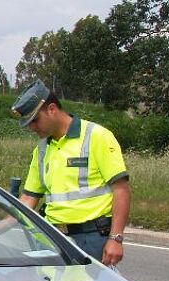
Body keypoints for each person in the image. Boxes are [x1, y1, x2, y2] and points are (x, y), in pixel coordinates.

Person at [11, 81, 131, 266]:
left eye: (35, 120)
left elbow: (121, 189)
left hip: (92, 238)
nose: (32, 127)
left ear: (52, 109)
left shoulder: (96, 136)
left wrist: (116, 238)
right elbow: (28, 198)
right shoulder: (41, 150)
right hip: (53, 238)